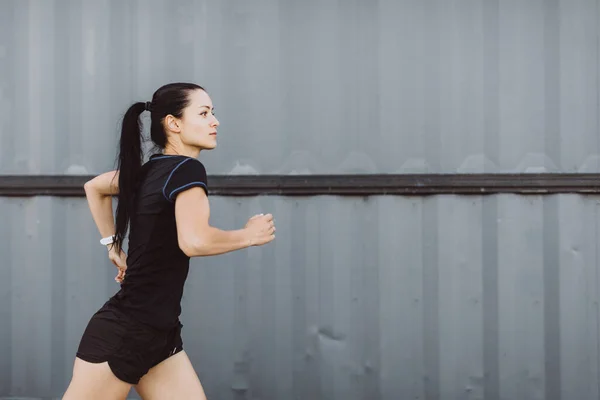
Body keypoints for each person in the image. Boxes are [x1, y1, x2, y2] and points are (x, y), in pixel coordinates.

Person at [62, 83, 276, 400]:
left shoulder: (150, 171)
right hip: (127, 333)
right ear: (173, 124)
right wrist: (248, 235)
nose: (214, 121)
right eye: (203, 113)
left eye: (213, 113)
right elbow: (194, 241)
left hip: (159, 337)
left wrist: (113, 245)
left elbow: (95, 187)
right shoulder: (187, 170)